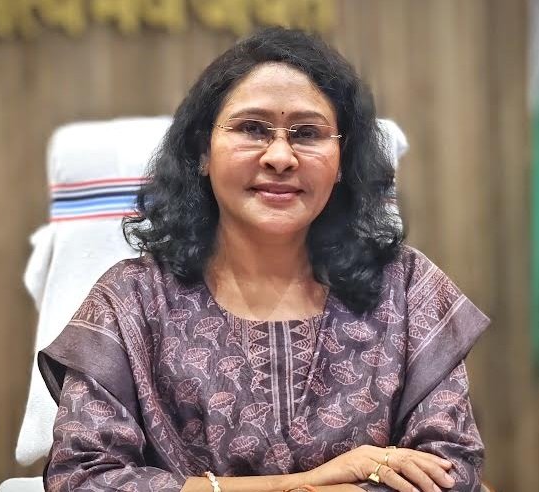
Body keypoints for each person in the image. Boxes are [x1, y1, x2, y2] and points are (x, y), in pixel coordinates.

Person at [39, 27, 489, 492]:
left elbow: (452, 470)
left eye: (307, 133)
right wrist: (304, 484)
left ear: (343, 161)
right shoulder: (132, 299)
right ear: (202, 151)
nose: (279, 156)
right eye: (252, 128)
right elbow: (83, 478)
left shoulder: (405, 288)